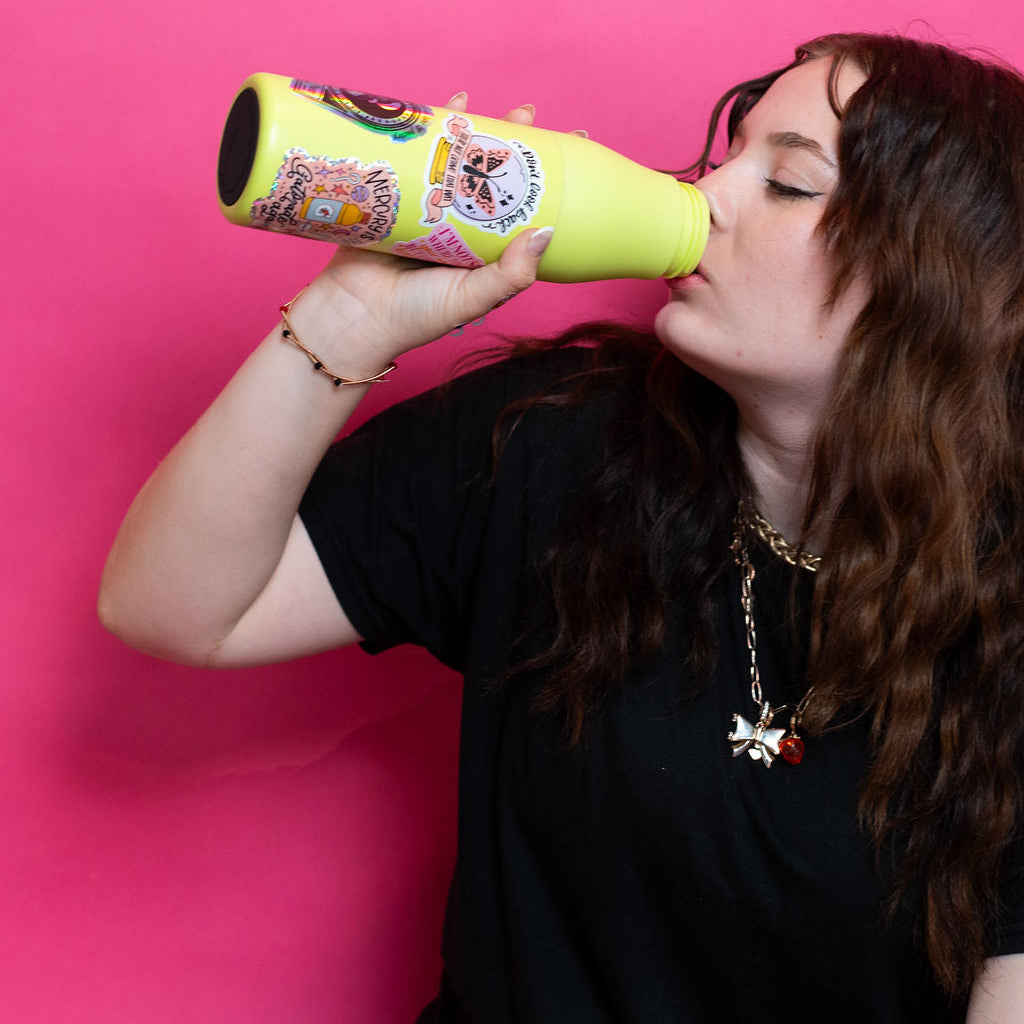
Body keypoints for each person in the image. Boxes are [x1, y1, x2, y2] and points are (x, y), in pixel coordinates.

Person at [99, 31, 1024, 1022]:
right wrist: (347, 321)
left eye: (788, 183)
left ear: (952, 289)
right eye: (728, 152)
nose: (706, 192)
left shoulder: (1002, 613)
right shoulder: (551, 441)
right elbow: (172, 608)